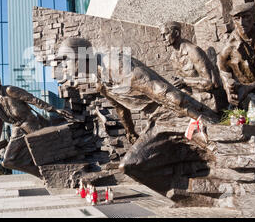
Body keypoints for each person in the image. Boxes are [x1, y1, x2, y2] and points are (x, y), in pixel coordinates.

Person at [54, 38, 219, 144]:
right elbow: (120, 108)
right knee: (131, 165)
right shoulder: (99, 81)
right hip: (158, 118)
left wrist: (198, 119)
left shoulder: (115, 65)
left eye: (65, 59)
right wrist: (130, 132)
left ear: (80, 55)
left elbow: (158, 89)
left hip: (179, 111)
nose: (64, 66)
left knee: (134, 163)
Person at [0, 73, 77, 171]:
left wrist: (54, 109)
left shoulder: (10, 90)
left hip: (30, 123)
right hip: (17, 129)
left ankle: (68, 166)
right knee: (7, 162)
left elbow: (32, 99)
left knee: (46, 151)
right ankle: (42, 175)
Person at [160, 21, 223, 111]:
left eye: (165, 34)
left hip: (207, 101)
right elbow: (183, 83)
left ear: (177, 33)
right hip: (190, 100)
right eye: (161, 35)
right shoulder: (173, 57)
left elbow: (209, 83)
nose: (163, 38)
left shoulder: (193, 51)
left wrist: (184, 81)